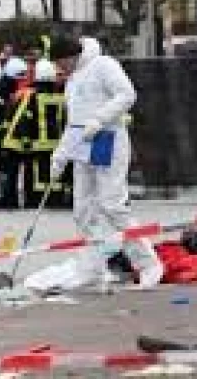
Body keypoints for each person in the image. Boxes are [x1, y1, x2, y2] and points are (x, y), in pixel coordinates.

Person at [49, 35, 163, 290]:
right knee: (83, 209)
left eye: (61, 62)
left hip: (107, 139)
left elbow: (127, 94)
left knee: (112, 205)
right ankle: (94, 267)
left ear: (70, 55)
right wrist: (60, 154)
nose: (60, 69)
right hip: (83, 143)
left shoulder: (103, 65)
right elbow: (73, 121)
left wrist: (100, 119)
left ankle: (148, 264)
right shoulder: (72, 79)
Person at [3, 58, 69, 208]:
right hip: (55, 144)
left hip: (34, 145)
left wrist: (24, 140)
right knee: (52, 174)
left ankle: (32, 201)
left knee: (34, 175)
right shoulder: (60, 96)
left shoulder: (30, 96)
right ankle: (54, 199)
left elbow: (23, 118)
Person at [0, 56, 28, 208]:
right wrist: (5, 136)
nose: (21, 80)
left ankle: (6, 198)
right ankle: (1, 199)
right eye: (20, 76)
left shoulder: (6, 88)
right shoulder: (1, 92)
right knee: (2, 171)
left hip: (5, 139)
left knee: (5, 171)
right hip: (3, 140)